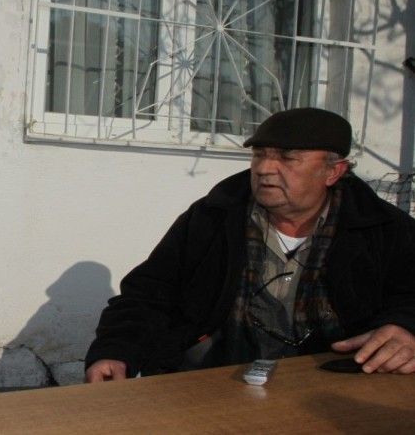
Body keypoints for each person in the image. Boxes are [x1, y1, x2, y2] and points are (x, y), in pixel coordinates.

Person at [85, 107, 415, 382]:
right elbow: (149, 293)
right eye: (259, 155)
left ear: (333, 172)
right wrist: (115, 351)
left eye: (287, 157)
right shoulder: (213, 217)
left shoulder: (383, 229)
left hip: (332, 380)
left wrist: (405, 328)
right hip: (219, 376)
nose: (265, 169)